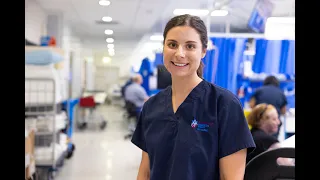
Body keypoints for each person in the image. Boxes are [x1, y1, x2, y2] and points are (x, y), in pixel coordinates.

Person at [131, 14, 255, 180]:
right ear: (163, 48)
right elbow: (145, 172)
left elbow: (231, 177)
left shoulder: (224, 105)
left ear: (203, 51)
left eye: (190, 46)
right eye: (172, 44)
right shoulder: (151, 106)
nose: (180, 54)